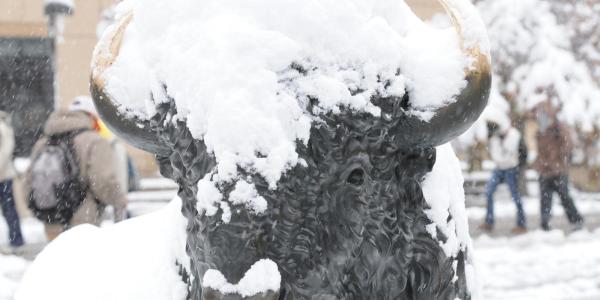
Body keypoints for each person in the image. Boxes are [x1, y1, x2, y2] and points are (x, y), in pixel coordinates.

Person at [26, 97, 128, 241]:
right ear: (92, 117)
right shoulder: (94, 141)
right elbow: (103, 180)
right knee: (81, 260)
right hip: (82, 216)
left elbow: (29, 180)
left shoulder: (43, 143)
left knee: (56, 259)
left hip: (50, 215)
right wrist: (119, 199)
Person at [533, 102, 584, 231]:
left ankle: (576, 220)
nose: (541, 119)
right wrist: (540, 163)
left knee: (564, 197)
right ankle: (545, 223)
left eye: (544, 116)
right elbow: (540, 150)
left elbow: (567, 147)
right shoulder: (540, 131)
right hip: (544, 171)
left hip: (559, 171)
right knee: (545, 198)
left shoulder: (559, 129)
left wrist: (559, 162)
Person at [479, 120, 527, 233]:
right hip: (499, 169)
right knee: (489, 192)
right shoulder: (494, 137)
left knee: (515, 196)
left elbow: (523, 153)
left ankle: (522, 224)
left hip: (511, 168)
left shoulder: (515, 135)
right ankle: (489, 221)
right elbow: (493, 151)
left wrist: (519, 167)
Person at [0, 110, 25, 250]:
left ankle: (17, 241)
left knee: (9, 210)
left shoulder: (3, 127)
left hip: (3, 177)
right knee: (8, 210)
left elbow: (6, 150)